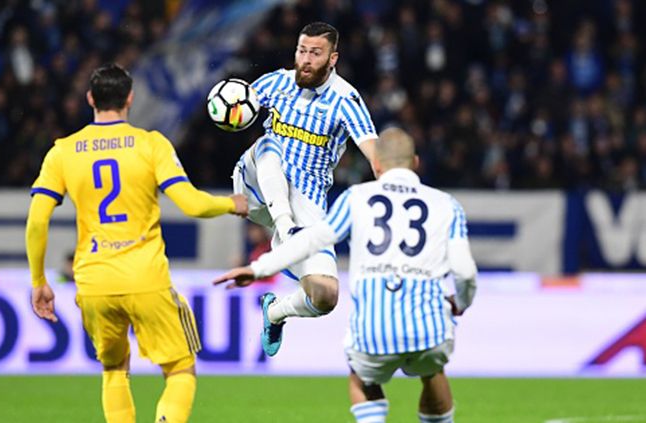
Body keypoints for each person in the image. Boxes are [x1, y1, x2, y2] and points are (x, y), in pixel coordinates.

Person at [25, 64, 248, 423]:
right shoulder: (151, 144)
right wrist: (232, 204)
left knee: (113, 368)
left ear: (90, 99)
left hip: (94, 281)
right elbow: (192, 204)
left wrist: (38, 282)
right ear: (130, 98)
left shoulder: (62, 151)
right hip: (146, 278)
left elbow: (37, 220)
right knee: (180, 367)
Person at [216, 128, 477, 423]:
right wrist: (462, 302)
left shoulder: (357, 198)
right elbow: (465, 272)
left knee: (363, 378)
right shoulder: (447, 205)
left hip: (373, 328)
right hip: (429, 326)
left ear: (376, 165)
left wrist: (258, 268)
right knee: (432, 372)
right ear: (415, 162)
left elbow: (311, 239)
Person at [234, 21, 378, 356]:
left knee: (325, 295)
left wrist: (394, 177)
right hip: (256, 185)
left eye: (316, 53)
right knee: (270, 145)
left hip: (306, 203)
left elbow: (373, 150)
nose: (306, 60)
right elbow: (237, 106)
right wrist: (230, 111)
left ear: (333, 59)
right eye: (302, 51)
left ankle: (275, 313)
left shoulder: (346, 100)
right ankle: (285, 230)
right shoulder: (276, 82)